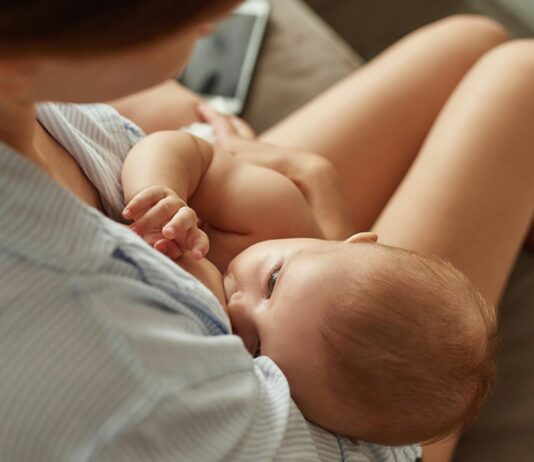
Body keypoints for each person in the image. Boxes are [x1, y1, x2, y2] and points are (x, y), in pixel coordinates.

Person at [0, 0, 531, 459]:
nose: (235, 307)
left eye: (274, 282)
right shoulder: (144, 374)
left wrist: (164, 146)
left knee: (470, 38)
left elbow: (182, 152)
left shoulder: (264, 229)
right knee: (521, 77)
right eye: (249, 344)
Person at [120, 127, 497, 446]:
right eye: (272, 280)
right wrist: (160, 192)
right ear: (352, 240)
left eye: (257, 348)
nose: (236, 307)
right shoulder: (274, 211)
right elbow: (183, 148)